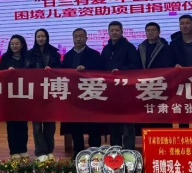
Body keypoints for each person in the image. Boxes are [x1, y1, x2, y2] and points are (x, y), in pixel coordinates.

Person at [62, 28, 103, 156]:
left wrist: (87, 69)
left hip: (91, 94)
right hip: (74, 96)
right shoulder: (68, 56)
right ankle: (78, 151)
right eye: (76, 36)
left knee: (93, 125)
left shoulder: (95, 54)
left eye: (81, 36)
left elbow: (100, 72)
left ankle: (95, 151)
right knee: (76, 125)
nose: (78, 39)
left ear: (86, 38)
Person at [101, 21, 141, 149]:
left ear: (122, 32)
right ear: (108, 32)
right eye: (112, 30)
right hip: (111, 91)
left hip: (126, 90)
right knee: (113, 121)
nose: (114, 32)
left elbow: (135, 65)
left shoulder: (129, 47)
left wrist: (121, 71)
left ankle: (129, 150)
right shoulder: (106, 49)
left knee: (127, 121)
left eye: (117, 30)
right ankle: (115, 149)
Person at [25, 29, 62, 162]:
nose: (41, 39)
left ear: (47, 37)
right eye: (38, 37)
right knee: (36, 125)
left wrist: (53, 71)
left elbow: (60, 69)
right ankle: (40, 151)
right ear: (35, 38)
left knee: (50, 124)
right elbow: (26, 71)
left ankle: (49, 150)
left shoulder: (54, 53)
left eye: (43, 36)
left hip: (51, 91)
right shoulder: (29, 54)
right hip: (35, 92)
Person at [0, 35, 30, 159]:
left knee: (23, 124)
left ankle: (23, 149)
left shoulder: (28, 57)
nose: (14, 46)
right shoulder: (5, 58)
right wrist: (7, 71)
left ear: (22, 45)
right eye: (12, 44)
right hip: (10, 96)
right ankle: (14, 151)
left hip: (25, 95)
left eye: (17, 44)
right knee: (11, 125)